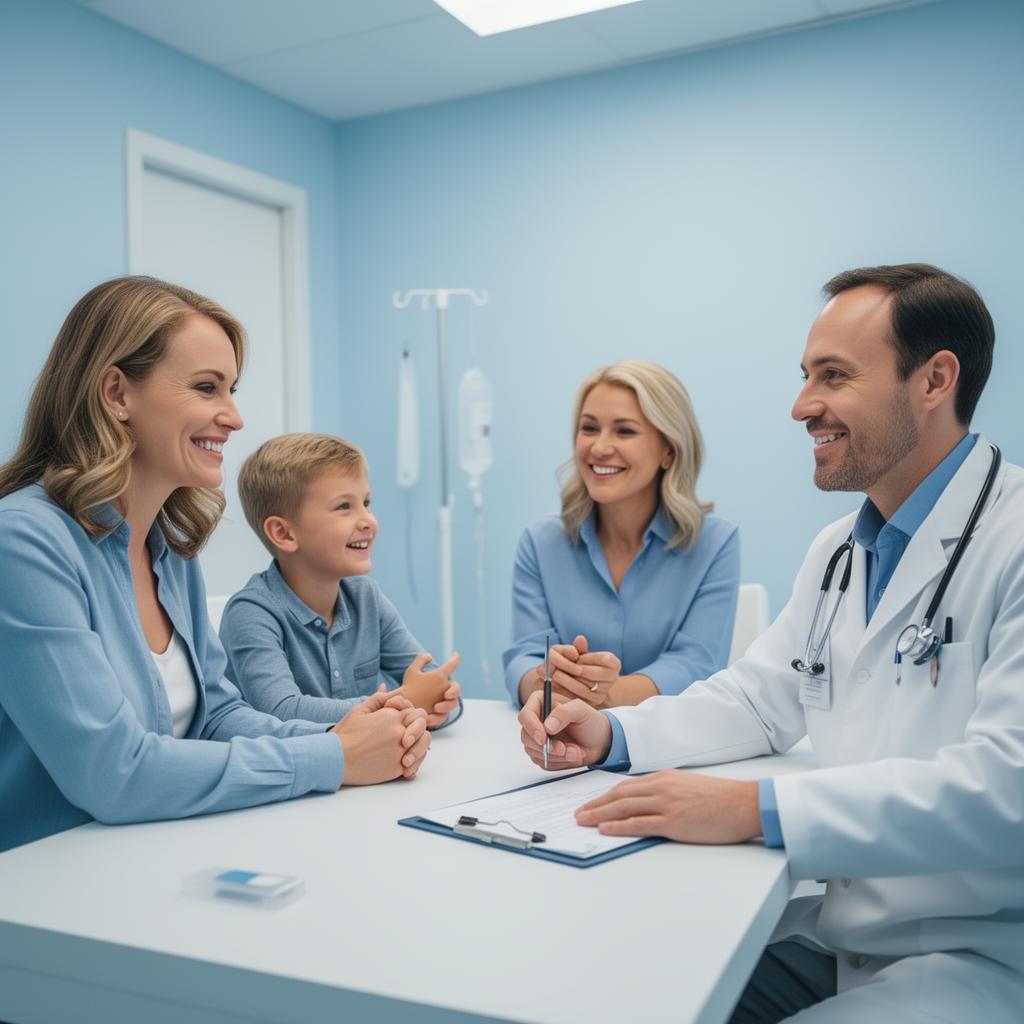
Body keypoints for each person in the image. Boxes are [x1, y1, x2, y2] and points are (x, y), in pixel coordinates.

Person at [518, 264, 1024, 1022]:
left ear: (934, 380)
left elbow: (1006, 788)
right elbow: (758, 698)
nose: (801, 406)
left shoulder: (1012, 541)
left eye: (833, 376)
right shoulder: (839, 550)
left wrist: (755, 809)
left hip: (969, 955)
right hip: (838, 932)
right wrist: (613, 731)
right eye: (804, 376)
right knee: (619, 989)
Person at [0, 277, 429, 854]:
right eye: (207, 388)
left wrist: (355, 732)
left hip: (149, 851)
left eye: (230, 389)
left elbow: (217, 715)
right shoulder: (24, 542)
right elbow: (114, 774)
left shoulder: (169, 549)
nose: (233, 417)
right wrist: (335, 755)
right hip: (45, 882)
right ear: (116, 393)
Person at [502, 360, 739, 709]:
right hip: (558, 742)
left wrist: (603, 696)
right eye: (589, 428)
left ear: (668, 450)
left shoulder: (715, 544)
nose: (599, 448)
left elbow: (696, 664)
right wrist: (548, 681)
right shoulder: (540, 542)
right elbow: (523, 656)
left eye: (624, 431)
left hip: (666, 745)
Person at [219, 433, 462, 730]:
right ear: (284, 533)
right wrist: (406, 701)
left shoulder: (366, 597)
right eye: (344, 507)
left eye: (367, 503)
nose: (367, 520)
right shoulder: (251, 613)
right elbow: (280, 710)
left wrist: (439, 705)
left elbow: (436, 687)